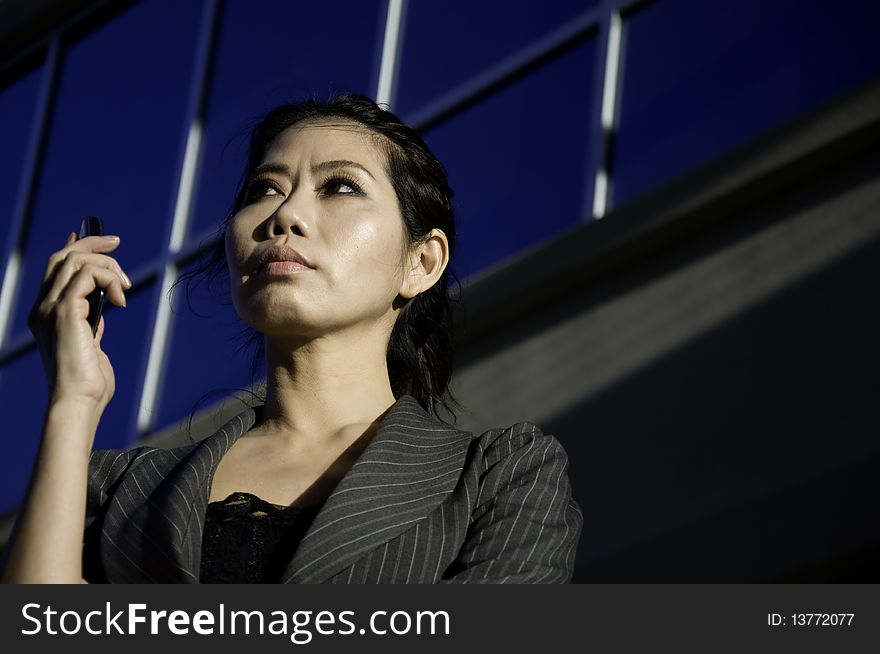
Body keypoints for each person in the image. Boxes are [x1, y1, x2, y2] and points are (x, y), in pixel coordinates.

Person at [0, 94, 583, 584]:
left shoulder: (498, 475)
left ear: (421, 262)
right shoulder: (114, 487)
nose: (286, 214)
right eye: (264, 189)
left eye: (341, 188)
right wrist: (72, 401)